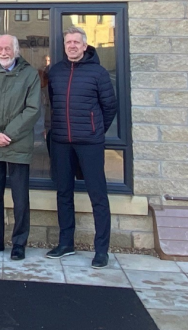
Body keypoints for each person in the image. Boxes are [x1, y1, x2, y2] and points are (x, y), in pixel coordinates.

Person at [45, 27, 118, 268]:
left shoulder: (98, 73)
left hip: (90, 143)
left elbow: (109, 108)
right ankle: (66, 243)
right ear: (64, 46)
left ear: (85, 46)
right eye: (69, 42)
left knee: (98, 196)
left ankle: (101, 250)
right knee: (64, 193)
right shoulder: (55, 72)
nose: (72, 46)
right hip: (61, 143)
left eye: (77, 42)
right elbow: (52, 104)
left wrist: (95, 129)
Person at [0, 35, 40, 261]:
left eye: (7, 48)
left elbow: (32, 109)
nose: (3, 52)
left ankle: (19, 243)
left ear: (16, 50)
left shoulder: (30, 74)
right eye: (0, 48)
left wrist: (8, 134)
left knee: (20, 198)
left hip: (17, 143)